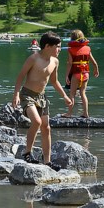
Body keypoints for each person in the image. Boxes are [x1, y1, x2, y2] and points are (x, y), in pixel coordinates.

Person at [12, 31, 72, 170]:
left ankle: (47, 161)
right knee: (37, 122)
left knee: (46, 127)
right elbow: (20, 76)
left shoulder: (55, 61)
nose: (59, 50)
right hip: (27, 94)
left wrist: (65, 96)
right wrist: (16, 94)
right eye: (57, 46)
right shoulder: (33, 58)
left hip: (42, 96)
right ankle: (27, 152)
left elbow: (54, 81)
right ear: (47, 46)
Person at [62, 29, 99, 118]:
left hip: (76, 73)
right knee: (83, 93)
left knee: (72, 94)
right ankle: (86, 113)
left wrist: (67, 75)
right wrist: (96, 69)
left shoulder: (71, 49)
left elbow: (70, 63)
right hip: (86, 73)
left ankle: (69, 113)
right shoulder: (87, 48)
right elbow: (94, 62)